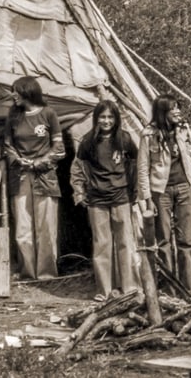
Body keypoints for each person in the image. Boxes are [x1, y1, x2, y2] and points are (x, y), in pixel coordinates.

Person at [71, 100, 140, 302]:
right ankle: (104, 290)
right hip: (97, 198)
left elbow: (136, 165)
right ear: (96, 119)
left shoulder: (125, 139)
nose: (106, 121)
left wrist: (134, 191)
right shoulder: (88, 142)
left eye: (110, 117)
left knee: (125, 242)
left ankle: (129, 287)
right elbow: (77, 169)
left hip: (121, 196)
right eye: (102, 117)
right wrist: (79, 192)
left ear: (116, 119)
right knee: (102, 244)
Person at [3, 76, 64, 280]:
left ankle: (46, 272)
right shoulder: (13, 116)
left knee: (46, 225)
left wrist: (40, 162)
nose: (13, 96)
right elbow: (8, 146)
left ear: (28, 92)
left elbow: (58, 147)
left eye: (16, 91)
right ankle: (28, 271)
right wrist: (20, 161)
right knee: (22, 225)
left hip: (44, 176)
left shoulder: (48, 114)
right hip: (20, 176)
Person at [137, 94, 191, 296]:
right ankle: (170, 291)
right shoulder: (148, 135)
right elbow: (143, 168)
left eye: (178, 107)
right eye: (173, 108)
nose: (178, 111)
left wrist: (185, 131)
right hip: (160, 191)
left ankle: (190, 290)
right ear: (163, 112)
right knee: (163, 242)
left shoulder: (182, 130)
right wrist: (147, 200)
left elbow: (190, 149)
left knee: (187, 240)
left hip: (183, 188)